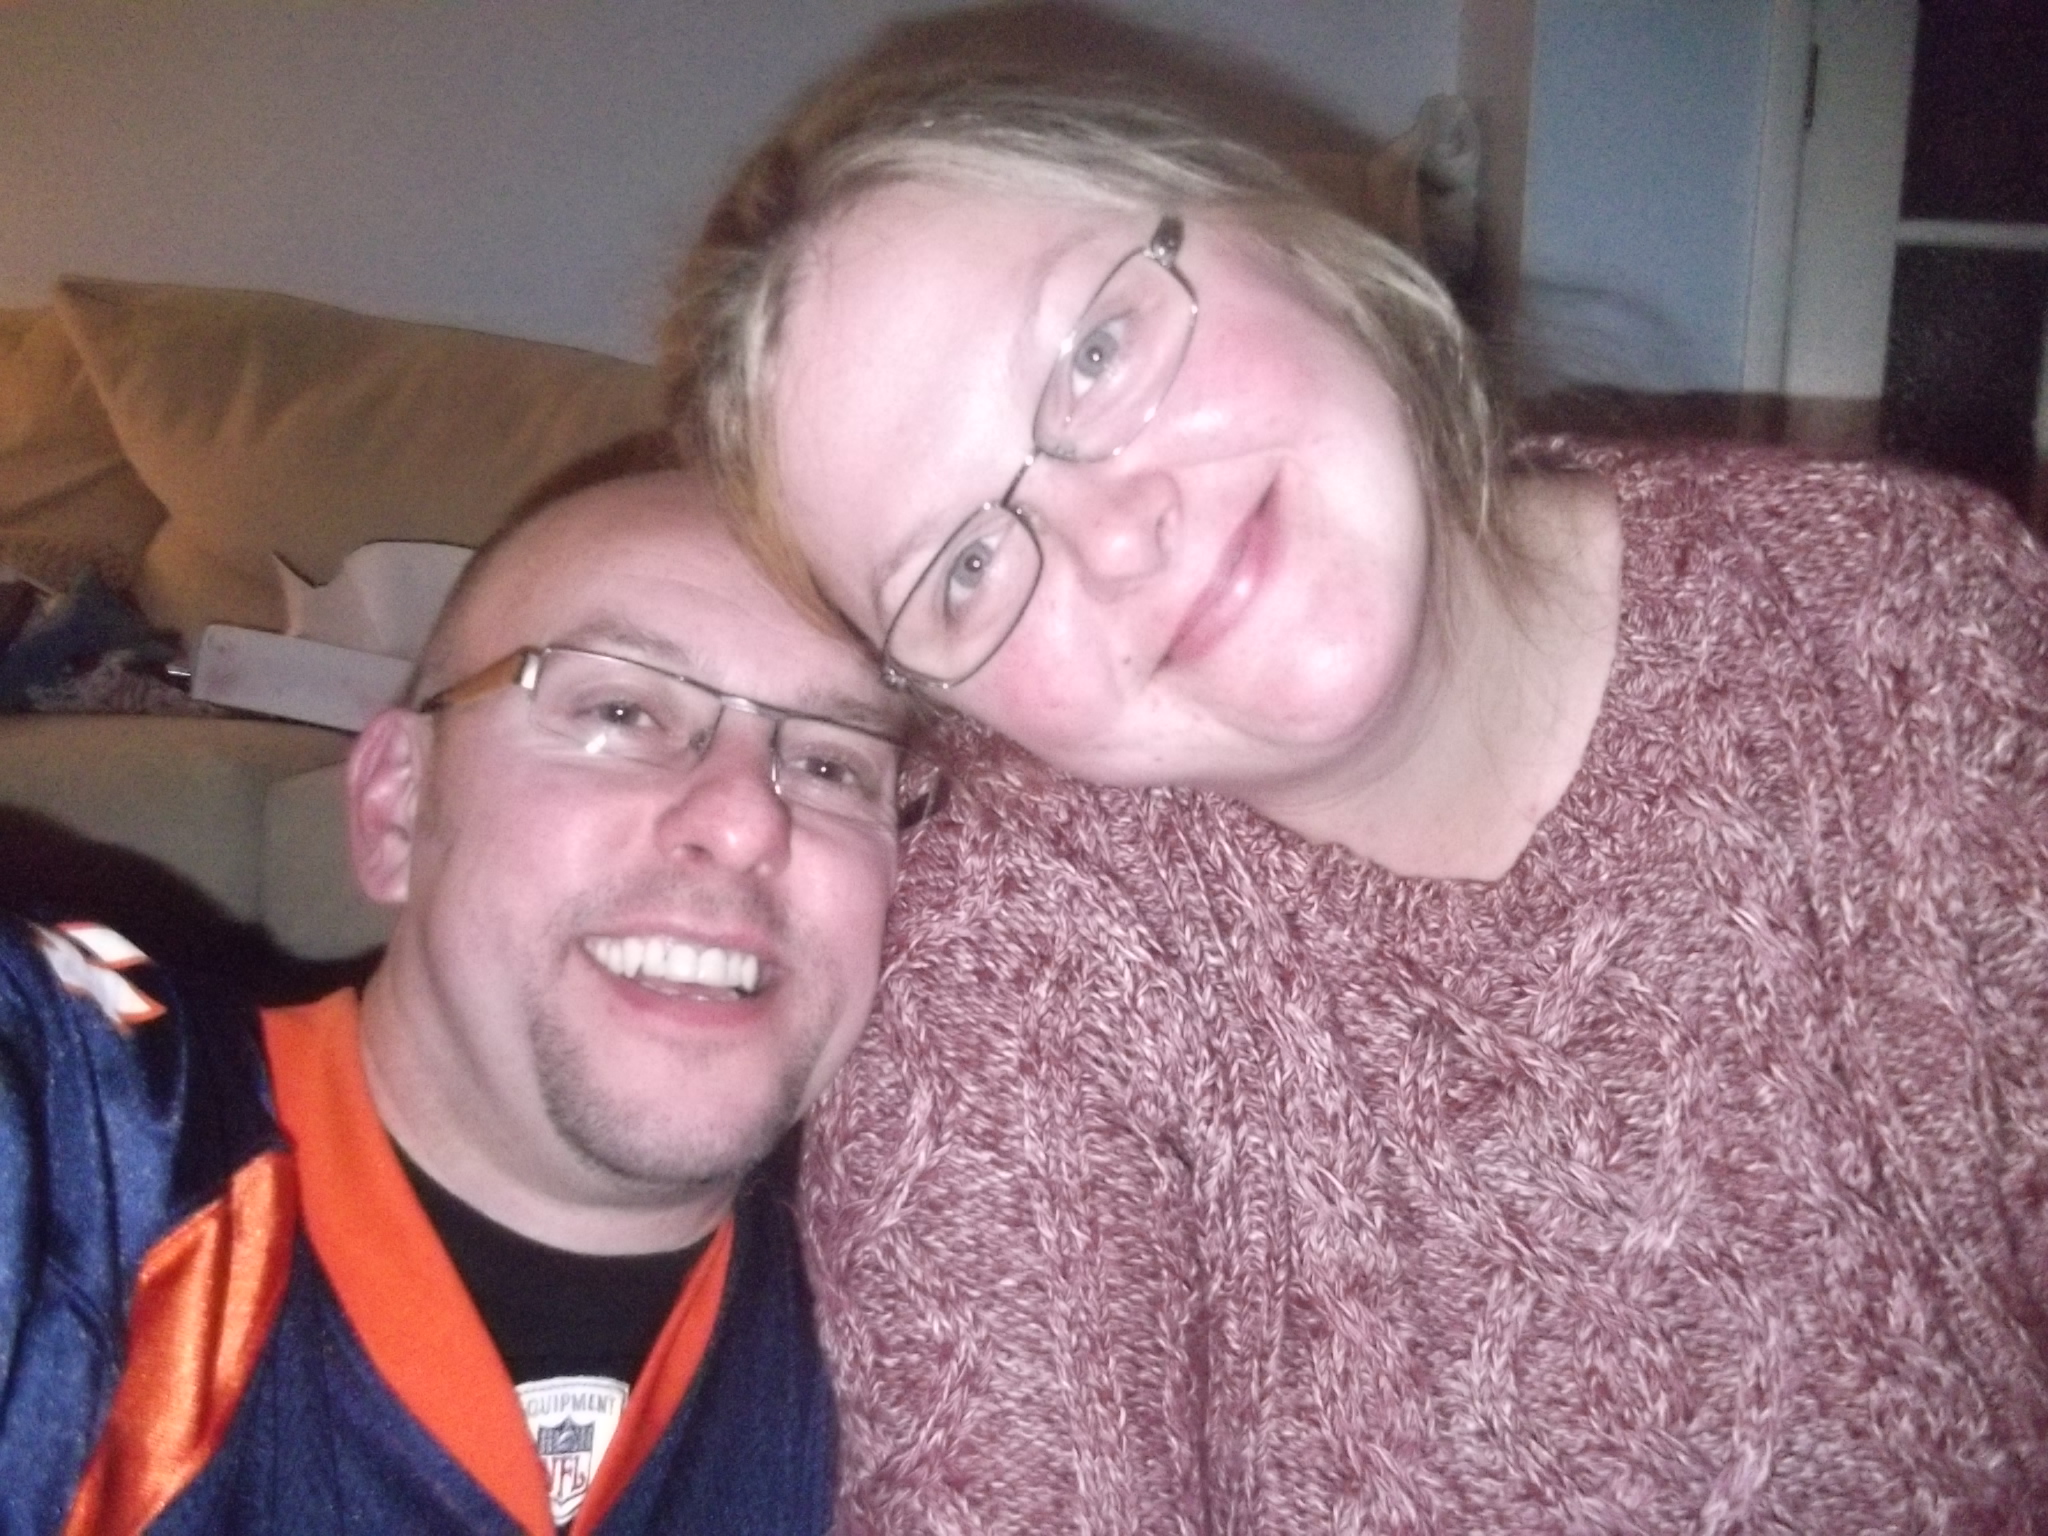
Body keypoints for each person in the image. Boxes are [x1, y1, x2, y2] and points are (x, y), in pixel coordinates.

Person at [664, 66, 2048, 1530]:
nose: (1117, 535)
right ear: (965, 717)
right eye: (963, 567)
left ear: (1278, 231)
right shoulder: (1015, 985)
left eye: (1095, 352)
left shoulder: (1901, 613)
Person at [0, 468, 925, 1533]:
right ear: (397, 807)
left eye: (831, 765)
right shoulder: (85, 1130)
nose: (745, 820)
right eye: (621, 709)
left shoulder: (940, 1320)